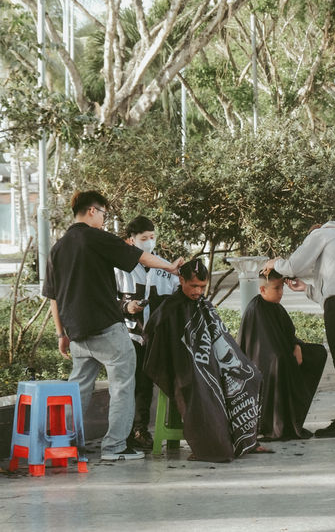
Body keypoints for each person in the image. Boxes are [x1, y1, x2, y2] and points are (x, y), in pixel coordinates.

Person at [42, 190, 183, 461]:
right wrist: (172, 268)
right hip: (105, 325)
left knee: (80, 388)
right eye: (104, 214)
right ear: (93, 210)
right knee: (123, 383)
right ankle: (115, 447)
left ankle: (66, 447)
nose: (105, 220)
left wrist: (61, 334)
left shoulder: (58, 247)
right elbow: (138, 257)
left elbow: (54, 298)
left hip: (76, 331)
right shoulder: (95, 237)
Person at [144, 258, 264, 462]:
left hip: (209, 361)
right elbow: (159, 343)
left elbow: (219, 337)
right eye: (193, 286)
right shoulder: (170, 309)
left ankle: (244, 440)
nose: (198, 291)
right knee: (202, 389)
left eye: (202, 286)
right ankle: (211, 446)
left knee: (252, 376)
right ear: (181, 280)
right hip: (183, 367)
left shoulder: (203, 305)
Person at [262, 221, 335, 438]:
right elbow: (333, 291)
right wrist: (306, 289)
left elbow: (292, 265)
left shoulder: (321, 234)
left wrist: (275, 262)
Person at [114, 215, 180, 453]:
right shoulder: (120, 268)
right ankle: (125, 432)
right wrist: (126, 307)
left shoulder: (164, 268)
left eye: (152, 238)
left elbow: (177, 295)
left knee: (145, 384)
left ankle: (140, 429)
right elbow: (108, 298)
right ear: (130, 241)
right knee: (127, 384)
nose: (149, 242)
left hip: (156, 338)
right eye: (144, 239)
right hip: (128, 335)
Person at [238, 270, 327, 440]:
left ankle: (292, 419)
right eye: (276, 288)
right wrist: (287, 354)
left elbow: (287, 335)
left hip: (280, 356)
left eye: (281, 288)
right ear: (263, 290)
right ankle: (274, 423)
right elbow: (262, 349)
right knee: (279, 361)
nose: (281, 292)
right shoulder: (255, 310)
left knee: (318, 353)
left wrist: (297, 346)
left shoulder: (276, 308)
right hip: (262, 363)